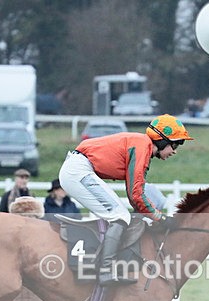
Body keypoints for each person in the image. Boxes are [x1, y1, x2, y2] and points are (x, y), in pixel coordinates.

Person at [57, 113, 193, 286]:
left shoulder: (141, 145)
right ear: (162, 140)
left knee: (121, 215)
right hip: (78, 170)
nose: (175, 151)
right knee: (119, 216)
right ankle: (105, 271)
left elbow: (134, 195)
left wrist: (153, 215)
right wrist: (160, 217)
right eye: (176, 144)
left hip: (79, 168)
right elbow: (136, 195)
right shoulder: (142, 147)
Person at [102, 183, 189, 301]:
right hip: (132, 282)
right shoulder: (135, 225)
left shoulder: (140, 224)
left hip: (138, 281)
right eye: (155, 206)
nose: (158, 210)